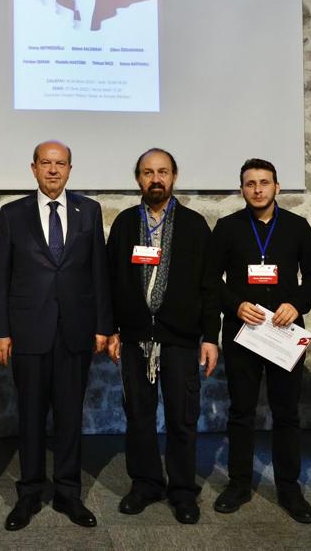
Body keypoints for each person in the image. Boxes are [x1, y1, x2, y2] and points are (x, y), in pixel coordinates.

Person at [0, 140, 112, 531]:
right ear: (34, 168)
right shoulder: (13, 213)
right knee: (29, 417)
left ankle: (68, 494)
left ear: (70, 169)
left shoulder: (88, 210)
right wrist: (0, 331)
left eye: (60, 164)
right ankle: (29, 494)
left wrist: (103, 326)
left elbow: (99, 272)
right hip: (28, 331)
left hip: (75, 331)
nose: (53, 170)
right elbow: (1, 276)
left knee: (70, 416)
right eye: (46, 163)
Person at [104, 148, 218, 524]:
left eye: (163, 172)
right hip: (135, 339)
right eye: (148, 172)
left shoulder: (194, 225)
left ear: (174, 176)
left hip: (180, 339)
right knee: (139, 416)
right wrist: (113, 329)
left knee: (182, 418)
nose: (156, 179)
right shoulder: (125, 223)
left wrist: (210, 337)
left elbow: (209, 285)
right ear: (138, 178)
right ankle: (146, 484)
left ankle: (183, 490)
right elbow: (110, 280)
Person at [208, 158, 311, 523]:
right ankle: (239, 484)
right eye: (250, 183)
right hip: (243, 333)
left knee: (286, 412)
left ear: (277, 187)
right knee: (241, 411)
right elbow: (209, 278)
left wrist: (297, 304)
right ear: (242, 189)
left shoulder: (297, 226)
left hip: (285, 333)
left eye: (264, 182)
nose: (257, 189)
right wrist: (236, 304)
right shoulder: (227, 227)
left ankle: (289, 488)